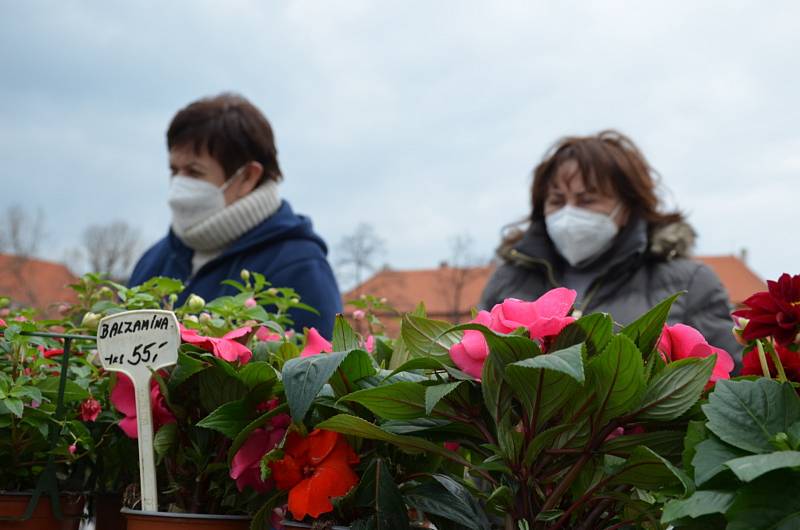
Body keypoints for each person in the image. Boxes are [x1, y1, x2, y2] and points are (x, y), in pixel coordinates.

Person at [480, 130, 741, 366]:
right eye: (557, 200)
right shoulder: (507, 279)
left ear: (626, 207)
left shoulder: (691, 282)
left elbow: (727, 380)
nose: (569, 213)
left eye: (587, 200)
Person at [129, 93, 341, 337]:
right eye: (174, 170)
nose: (178, 185)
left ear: (247, 177)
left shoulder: (298, 268)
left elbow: (320, 367)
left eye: (194, 172)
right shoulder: (155, 260)